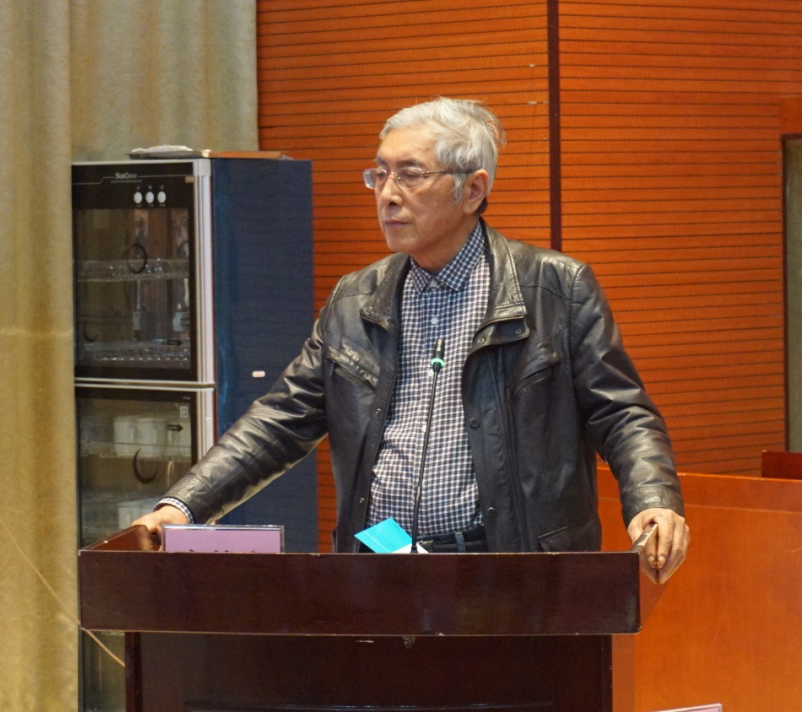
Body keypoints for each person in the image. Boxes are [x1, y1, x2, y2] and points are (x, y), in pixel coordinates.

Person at [134, 97, 689, 582]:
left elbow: (621, 413)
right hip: (382, 562)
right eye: (379, 175)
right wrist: (184, 505)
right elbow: (281, 419)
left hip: (512, 568)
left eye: (410, 175)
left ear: (473, 189)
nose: (388, 195)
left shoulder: (555, 289)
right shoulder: (355, 299)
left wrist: (653, 500)